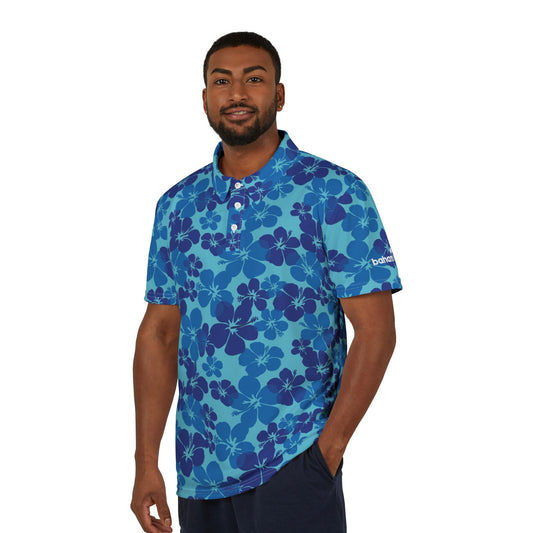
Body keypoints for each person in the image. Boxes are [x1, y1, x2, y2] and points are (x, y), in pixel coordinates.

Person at [131, 31, 402, 533]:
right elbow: (160, 334)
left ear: (279, 95)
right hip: (199, 473)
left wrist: (327, 452)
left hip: (294, 463)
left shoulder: (333, 192)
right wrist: (147, 462)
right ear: (205, 99)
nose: (236, 93)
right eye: (222, 82)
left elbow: (377, 330)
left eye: (253, 79)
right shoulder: (177, 206)